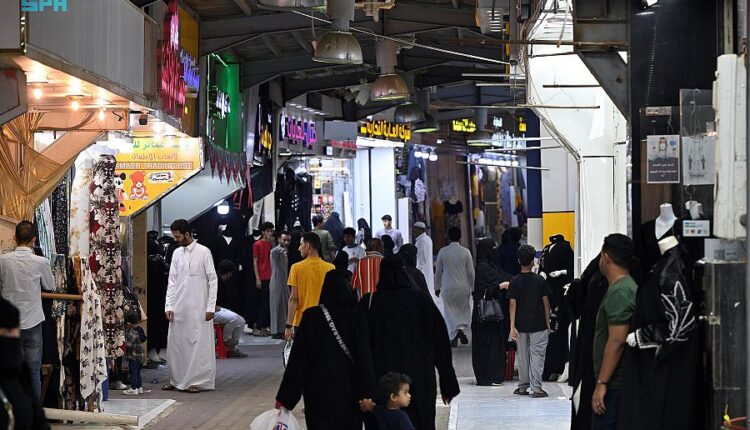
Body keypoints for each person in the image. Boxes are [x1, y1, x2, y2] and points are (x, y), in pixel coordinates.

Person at [360, 256, 460, 430]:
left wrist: (365, 388)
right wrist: (447, 384)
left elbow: (360, 348)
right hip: (419, 383)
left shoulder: (369, 303)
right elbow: (441, 344)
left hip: (382, 385)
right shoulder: (421, 301)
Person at [276, 270, 375, 430]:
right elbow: (365, 358)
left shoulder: (311, 316)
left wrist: (286, 398)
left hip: (318, 393)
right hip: (350, 392)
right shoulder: (357, 316)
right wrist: (367, 392)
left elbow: (299, 361)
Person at [162, 219, 218, 393]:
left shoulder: (204, 252)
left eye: (178, 236)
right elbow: (172, 281)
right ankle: (176, 379)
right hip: (179, 307)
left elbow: (213, 280)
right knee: (177, 344)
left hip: (199, 307)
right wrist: (169, 305)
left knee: (197, 343)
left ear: (187, 234)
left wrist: (210, 307)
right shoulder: (177, 253)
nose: (176, 240)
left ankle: (196, 381)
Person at [0, 221, 54, 399]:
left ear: (15, 238)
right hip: (33, 321)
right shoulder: (41, 262)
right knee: (33, 371)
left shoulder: (3, 260)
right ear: (34, 239)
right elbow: (50, 285)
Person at [591, 234, 637, 429]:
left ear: (606, 256)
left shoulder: (621, 292)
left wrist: (602, 383)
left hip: (614, 385)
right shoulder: (622, 288)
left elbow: (617, 341)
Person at [508, 245, 551, 398]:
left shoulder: (514, 281)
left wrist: (512, 326)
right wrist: (548, 322)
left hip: (520, 325)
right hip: (538, 324)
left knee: (523, 356)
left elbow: (512, 304)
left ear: (519, 261)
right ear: (533, 262)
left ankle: (522, 387)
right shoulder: (540, 280)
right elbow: (546, 302)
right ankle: (537, 388)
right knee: (537, 355)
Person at [0, 298, 49, 430]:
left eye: (13, 332)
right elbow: (49, 286)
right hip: (33, 318)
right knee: (34, 371)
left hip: (24, 316)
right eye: (7, 333)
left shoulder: (21, 373)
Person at [472, 239, 512, 386]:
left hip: (490, 316)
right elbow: (484, 292)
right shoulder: (482, 269)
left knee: (491, 345)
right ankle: (490, 376)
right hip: (486, 315)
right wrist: (500, 286)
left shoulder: (489, 267)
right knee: (490, 346)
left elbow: (504, 276)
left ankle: (491, 375)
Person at [285, 232, 335, 340]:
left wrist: (288, 326)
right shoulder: (330, 268)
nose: (299, 248)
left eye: (301, 244)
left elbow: (294, 299)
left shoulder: (296, 268)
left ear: (307, 246)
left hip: (301, 321)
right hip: (324, 320)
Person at [435, 227, 475, 347]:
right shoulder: (466, 252)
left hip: (448, 287)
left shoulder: (443, 252)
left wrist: (437, 287)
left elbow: (438, 272)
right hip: (462, 287)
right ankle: (459, 330)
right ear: (460, 237)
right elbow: (471, 273)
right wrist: (473, 288)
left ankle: (453, 335)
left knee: (449, 312)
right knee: (462, 310)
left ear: (448, 237)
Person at [252, 222, 275, 337]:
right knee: (263, 302)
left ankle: (264, 326)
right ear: (263, 232)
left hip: (271, 275)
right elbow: (255, 261)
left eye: (271, 231)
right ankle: (258, 326)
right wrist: (257, 278)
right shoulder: (257, 244)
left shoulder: (271, 244)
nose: (269, 233)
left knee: (269, 302)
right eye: (267, 231)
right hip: (262, 276)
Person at [270, 231, 291, 339]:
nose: (286, 242)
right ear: (279, 239)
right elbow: (275, 251)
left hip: (284, 281)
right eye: (284, 240)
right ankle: (275, 331)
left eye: (288, 240)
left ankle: (282, 330)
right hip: (276, 281)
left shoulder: (285, 252)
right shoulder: (276, 251)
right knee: (276, 305)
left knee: (284, 305)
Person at [123, 310, 147, 395]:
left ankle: (133, 388)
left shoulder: (132, 332)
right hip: (140, 356)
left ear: (128, 323)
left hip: (134, 356)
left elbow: (129, 344)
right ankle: (139, 387)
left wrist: (122, 343)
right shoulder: (139, 329)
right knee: (137, 372)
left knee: (133, 372)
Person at [412, 222, 436, 302]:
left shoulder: (422, 241)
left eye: (415, 229)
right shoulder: (427, 239)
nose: (413, 231)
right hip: (426, 270)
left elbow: (421, 259)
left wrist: (416, 271)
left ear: (420, 230)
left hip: (422, 271)